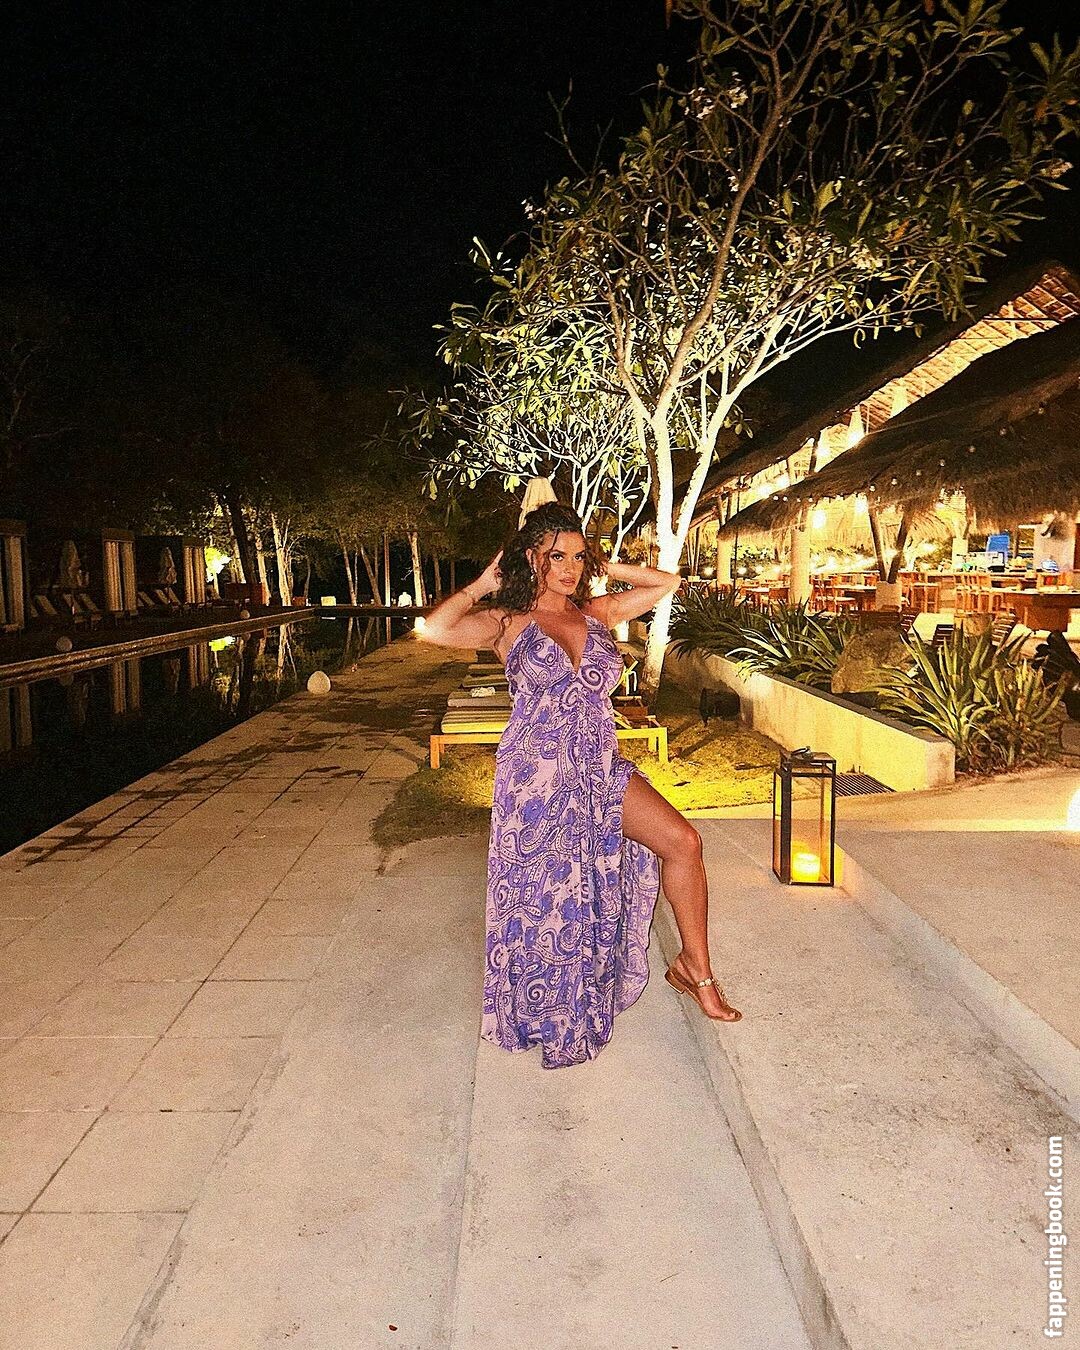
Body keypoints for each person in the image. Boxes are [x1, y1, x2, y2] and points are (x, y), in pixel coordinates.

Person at [420, 501, 741, 1069]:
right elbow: (435, 629)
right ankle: (546, 1009)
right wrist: (483, 584)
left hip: (600, 768)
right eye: (557, 557)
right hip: (536, 781)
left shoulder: (595, 613)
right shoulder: (505, 621)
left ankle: (695, 970)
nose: (569, 568)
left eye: (576, 556)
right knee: (549, 901)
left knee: (683, 841)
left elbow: (666, 583)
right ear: (531, 559)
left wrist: (602, 565)